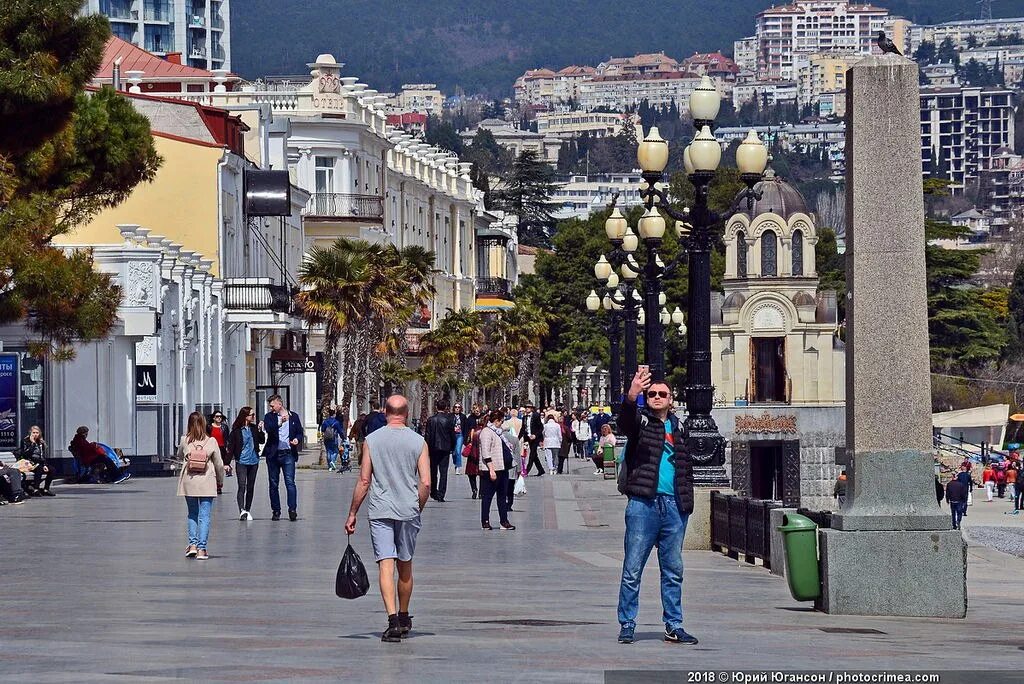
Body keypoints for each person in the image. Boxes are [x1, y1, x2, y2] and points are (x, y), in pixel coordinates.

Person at [615, 368, 697, 646]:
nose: (658, 397)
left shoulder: (680, 427)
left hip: (675, 507)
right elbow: (624, 422)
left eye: (663, 394)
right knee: (632, 569)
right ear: (647, 398)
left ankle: (674, 625)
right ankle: (627, 624)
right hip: (643, 505)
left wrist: (687, 503)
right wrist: (632, 394)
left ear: (671, 398)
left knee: (673, 570)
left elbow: (687, 469)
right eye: (653, 394)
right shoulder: (641, 424)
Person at [345, 394, 430, 643]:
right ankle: (404, 616)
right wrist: (417, 507)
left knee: (385, 564)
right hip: (408, 510)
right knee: (406, 564)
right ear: (405, 413)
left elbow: (364, 480)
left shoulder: (372, 440)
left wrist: (352, 513)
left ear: (385, 412)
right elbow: (425, 482)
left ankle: (392, 621)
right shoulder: (419, 441)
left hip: (381, 510)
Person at [177, 412, 225, 560]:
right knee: (204, 516)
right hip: (206, 481)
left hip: (190, 481)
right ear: (204, 424)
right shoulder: (211, 441)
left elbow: (179, 455)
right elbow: (219, 464)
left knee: (192, 514)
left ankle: (192, 545)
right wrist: (220, 480)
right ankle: (201, 549)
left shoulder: (185, 440)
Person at [262, 394, 303, 521]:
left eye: (272, 405)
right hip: (273, 454)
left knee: (290, 482)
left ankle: (292, 509)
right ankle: (276, 510)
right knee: (273, 483)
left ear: (280, 404)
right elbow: (268, 429)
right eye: (270, 406)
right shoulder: (269, 417)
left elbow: (299, 432)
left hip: (288, 454)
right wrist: (280, 422)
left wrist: (297, 439)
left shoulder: (293, 416)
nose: (271, 408)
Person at [478, 409, 516, 531]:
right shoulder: (486, 432)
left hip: (502, 468)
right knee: (487, 496)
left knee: (502, 496)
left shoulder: (498, 433)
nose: (502, 424)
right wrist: (491, 470)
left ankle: (504, 521)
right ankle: (485, 521)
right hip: (491, 469)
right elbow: (485, 452)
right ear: (496, 421)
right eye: (501, 421)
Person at [229, 406, 264, 521]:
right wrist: (227, 463)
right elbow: (231, 448)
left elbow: (262, 441)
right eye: (252, 415)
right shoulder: (236, 431)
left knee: (251, 486)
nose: (254, 417)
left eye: (254, 415)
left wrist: (260, 431)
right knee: (242, 485)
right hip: (242, 461)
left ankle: (248, 510)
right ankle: (242, 510)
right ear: (245, 416)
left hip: (254, 460)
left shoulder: (254, 428)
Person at [423, 399, 455, 502]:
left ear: (436, 407)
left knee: (433, 471)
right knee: (443, 472)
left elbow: (427, 436)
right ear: (445, 407)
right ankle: (441, 494)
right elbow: (452, 435)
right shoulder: (449, 420)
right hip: (445, 449)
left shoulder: (431, 420)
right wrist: (453, 447)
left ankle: (433, 492)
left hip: (433, 448)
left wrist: (426, 448)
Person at [19, 425, 54, 496]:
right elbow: (26, 455)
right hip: (29, 463)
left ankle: (46, 489)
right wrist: (33, 444)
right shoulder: (25, 441)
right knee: (39, 468)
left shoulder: (40, 442)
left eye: (37, 433)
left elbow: (42, 455)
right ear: (30, 433)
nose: (35, 434)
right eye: (33, 432)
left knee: (52, 469)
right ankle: (36, 489)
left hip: (39, 462)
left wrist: (45, 464)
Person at [519, 405, 545, 476]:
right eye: (526, 407)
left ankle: (526, 471)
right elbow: (523, 428)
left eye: (528, 407)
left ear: (531, 409)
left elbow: (541, 427)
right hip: (528, 437)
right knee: (534, 455)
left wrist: (535, 435)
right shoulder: (524, 417)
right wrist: (518, 438)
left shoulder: (536, 416)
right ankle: (541, 470)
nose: (527, 409)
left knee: (532, 454)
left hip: (535, 438)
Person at [208, 411, 231, 477]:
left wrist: (227, 447)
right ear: (214, 418)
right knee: (213, 463)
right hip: (212, 447)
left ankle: (225, 471)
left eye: (220, 416)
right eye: (217, 416)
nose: (219, 418)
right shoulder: (209, 427)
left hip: (222, 448)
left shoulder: (224, 427)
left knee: (221, 463)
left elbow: (227, 438)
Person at [463, 424, 480, 499]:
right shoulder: (486, 432)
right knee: (483, 476)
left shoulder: (472, 431)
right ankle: (481, 493)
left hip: (472, 455)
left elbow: (466, 441)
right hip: (481, 456)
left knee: (471, 475)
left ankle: (474, 489)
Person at [452, 403, 466, 476]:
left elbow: (466, 427)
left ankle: (458, 467)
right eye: (456, 407)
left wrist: (466, 437)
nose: (457, 408)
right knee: (454, 452)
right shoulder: (450, 416)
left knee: (458, 451)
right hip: (452, 435)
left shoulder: (463, 417)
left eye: (458, 407)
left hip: (460, 435)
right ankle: (455, 463)